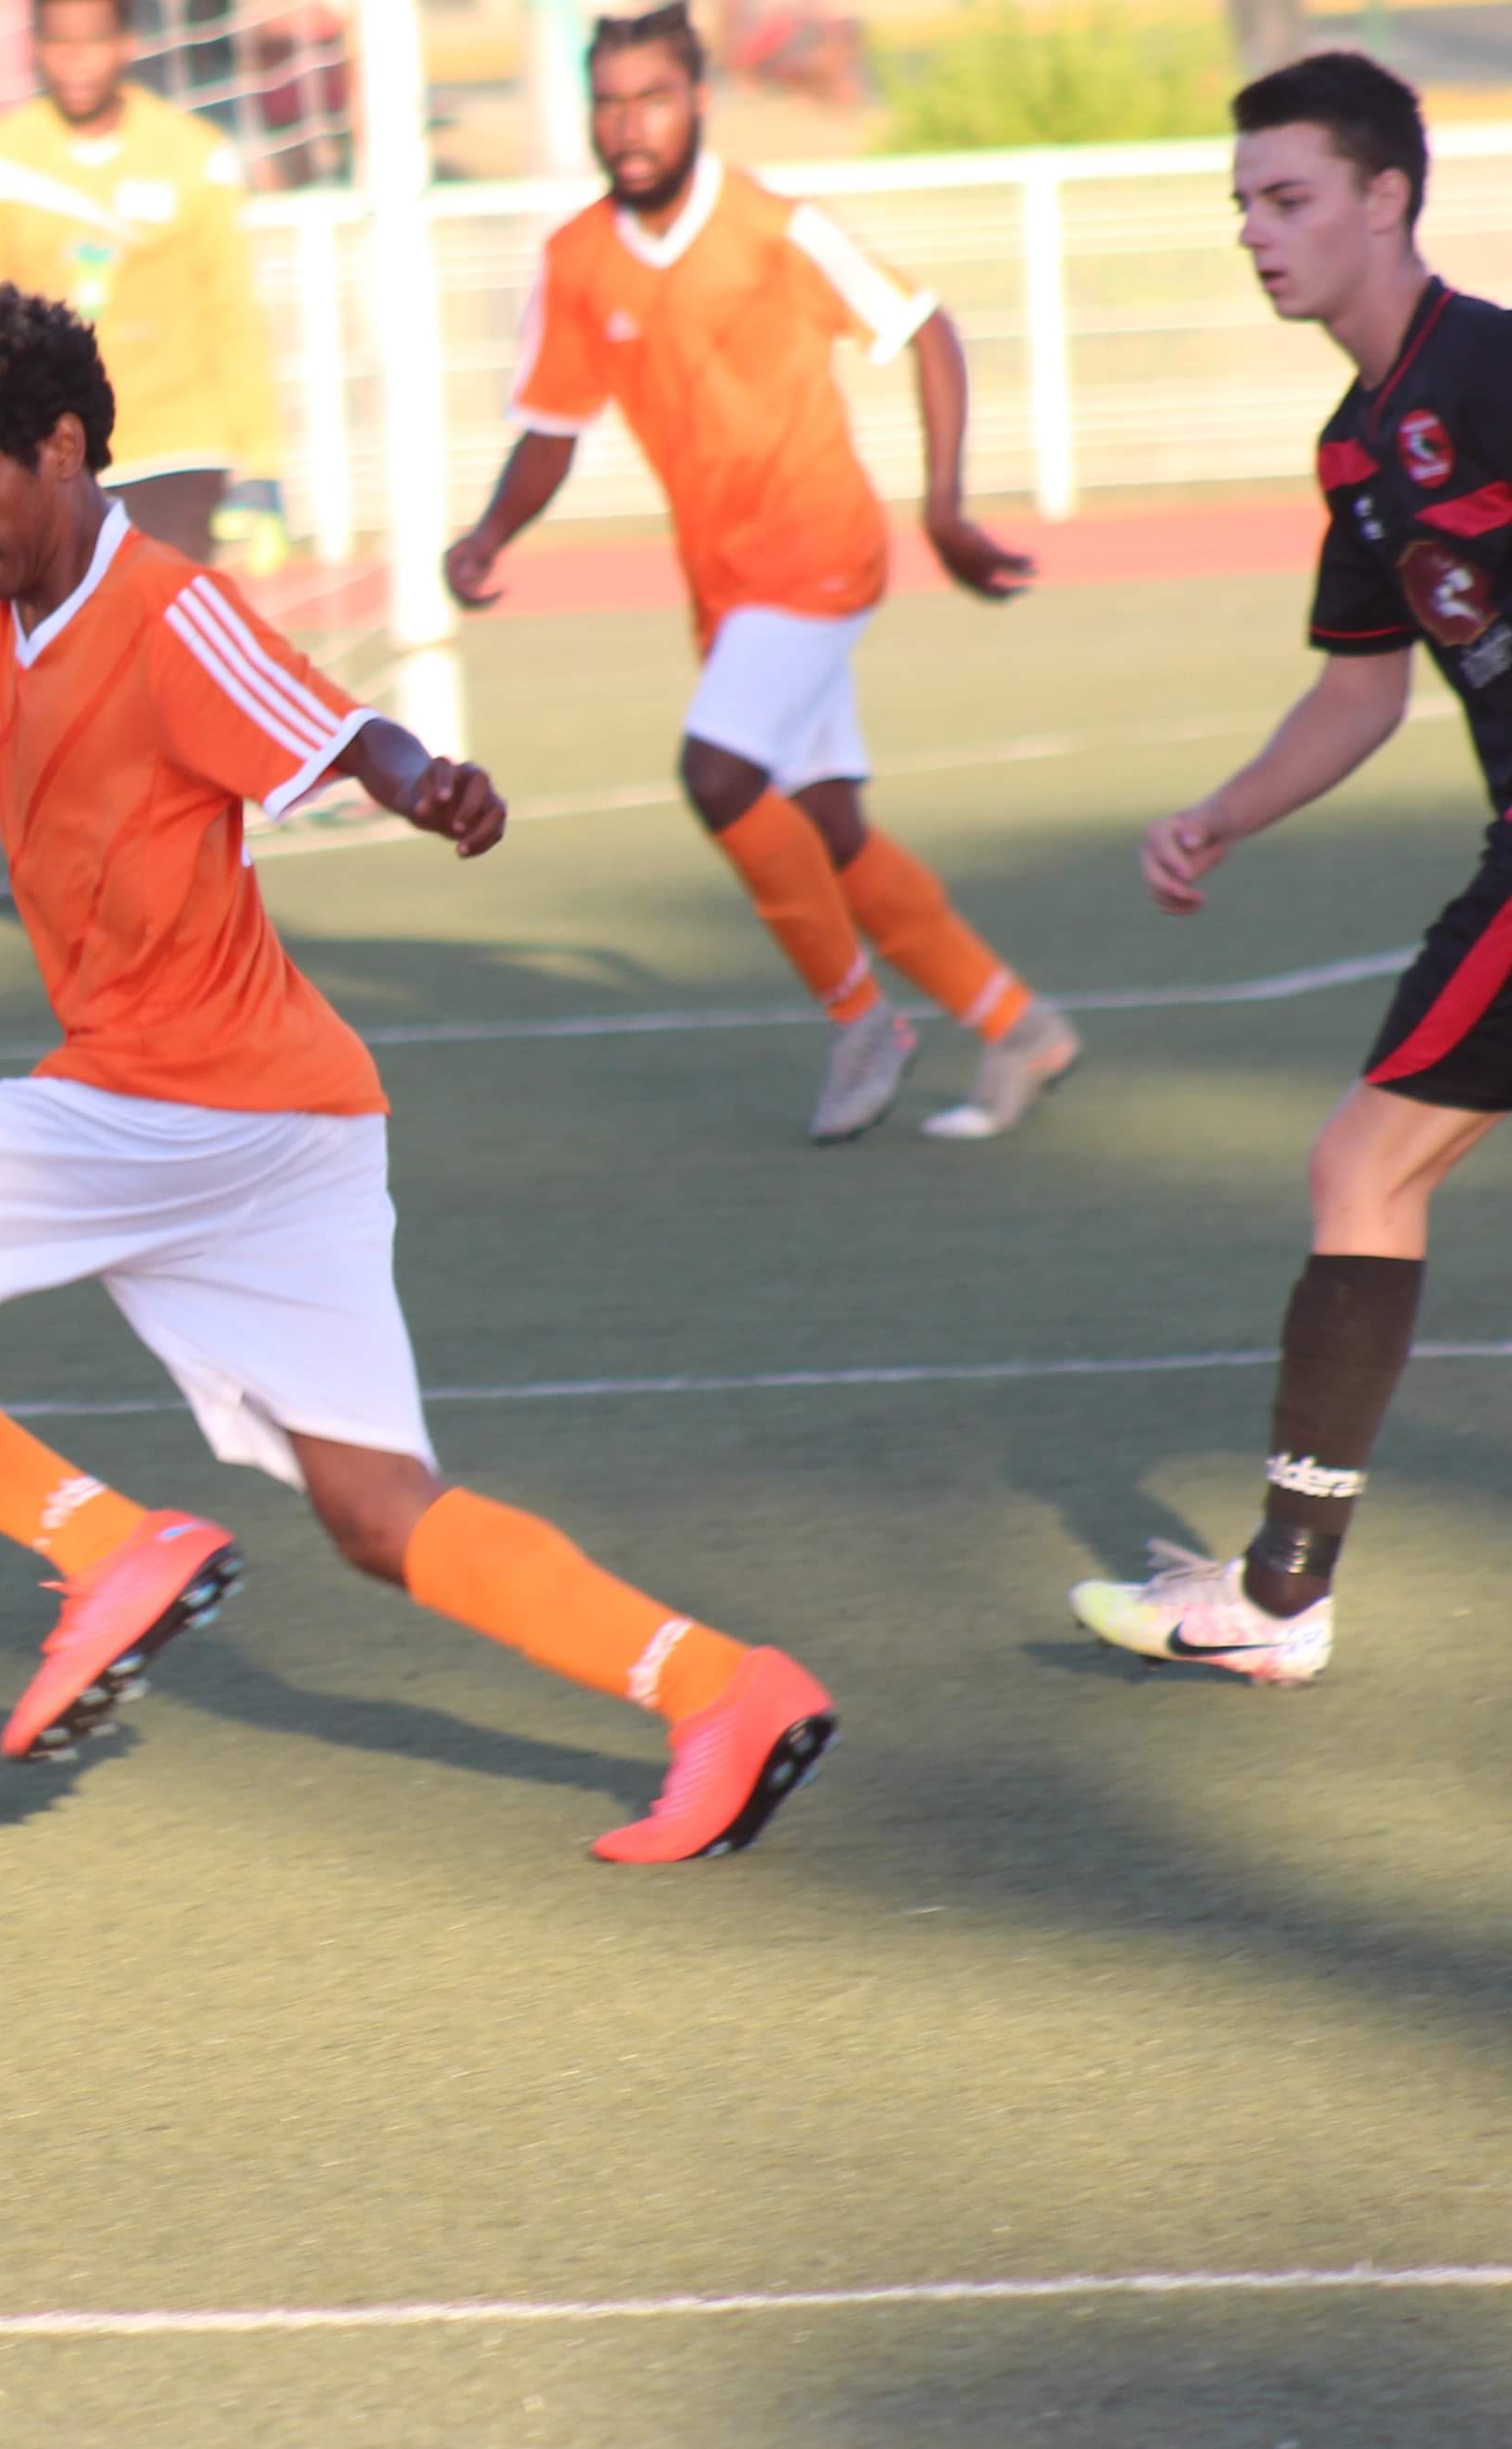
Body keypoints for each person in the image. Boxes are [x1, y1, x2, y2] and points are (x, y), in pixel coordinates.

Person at [0, 284, 839, 1864]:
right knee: (379, 1514)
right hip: (285, 1123)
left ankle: (110, 1547)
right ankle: (727, 1690)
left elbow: (347, 727)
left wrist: (422, 786)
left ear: (63, 446)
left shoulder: (167, 612)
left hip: (168, 1097)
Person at [444, 2, 1076, 1145]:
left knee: (718, 773)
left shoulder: (776, 228)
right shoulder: (576, 260)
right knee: (828, 827)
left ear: (699, 103)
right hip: (726, 589)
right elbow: (550, 428)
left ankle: (860, 1022)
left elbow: (926, 328)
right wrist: (490, 533)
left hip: (822, 550)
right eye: (609, 102)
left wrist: (942, 510)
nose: (628, 125)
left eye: (652, 98)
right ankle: (1019, 1024)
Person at [1074, 54, 1495, 1685]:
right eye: (1243, 204)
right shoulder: (1357, 449)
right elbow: (1359, 690)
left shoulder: (1497, 370)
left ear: (1387, 199)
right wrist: (1223, 814)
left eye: (1288, 198)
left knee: (1363, 1168)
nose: (1256, 233)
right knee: (1366, 1173)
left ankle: (1278, 1594)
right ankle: (1278, 1587)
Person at [0, 0, 289, 571]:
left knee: (157, 642)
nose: (76, 64)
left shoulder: (194, 155)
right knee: (56, 649)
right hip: (46, 460)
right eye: (60, 45)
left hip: (175, 451)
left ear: (127, 45)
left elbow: (233, 316)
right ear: (36, 49)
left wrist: (263, 462)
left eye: (94, 43)